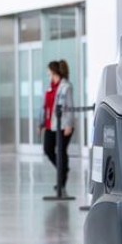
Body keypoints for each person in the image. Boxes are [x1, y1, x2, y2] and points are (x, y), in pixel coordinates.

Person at [41, 60, 75, 191]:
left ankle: (61, 181)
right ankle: (63, 169)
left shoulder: (66, 86)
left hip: (63, 125)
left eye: (49, 70)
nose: (47, 73)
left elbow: (70, 106)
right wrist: (43, 123)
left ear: (54, 71)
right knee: (48, 149)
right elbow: (46, 106)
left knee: (61, 152)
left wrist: (69, 125)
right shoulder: (50, 87)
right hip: (51, 125)